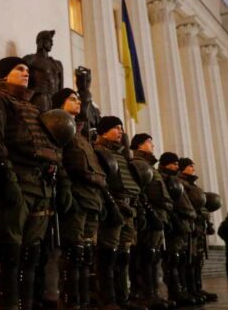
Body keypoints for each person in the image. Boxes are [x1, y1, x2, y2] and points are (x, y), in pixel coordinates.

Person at [0, 57, 68, 310]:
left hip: (40, 187)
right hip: (15, 183)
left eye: (27, 70)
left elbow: (50, 147)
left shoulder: (36, 109)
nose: (26, 73)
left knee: (31, 255)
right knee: (10, 254)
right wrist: (7, 179)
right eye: (20, 69)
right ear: (5, 76)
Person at [51, 88, 114, 309]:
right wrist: (66, 191)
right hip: (77, 198)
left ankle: (85, 301)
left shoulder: (82, 135)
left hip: (91, 199)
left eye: (78, 98)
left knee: (87, 254)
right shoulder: (58, 126)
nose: (78, 102)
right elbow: (59, 160)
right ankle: (71, 303)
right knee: (74, 253)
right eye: (72, 98)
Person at [93, 117, 145, 310]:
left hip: (129, 208)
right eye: (115, 128)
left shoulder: (122, 155)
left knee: (124, 255)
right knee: (108, 255)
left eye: (121, 128)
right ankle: (108, 300)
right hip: (113, 207)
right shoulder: (98, 151)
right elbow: (101, 182)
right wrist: (112, 205)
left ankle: (123, 298)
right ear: (103, 131)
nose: (120, 131)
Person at [129, 134, 174, 310]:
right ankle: (146, 295)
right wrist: (148, 213)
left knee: (154, 256)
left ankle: (154, 293)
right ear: (139, 146)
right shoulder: (138, 164)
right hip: (149, 217)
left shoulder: (149, 166)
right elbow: (140, 192)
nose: (153, 145)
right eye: (149, 142)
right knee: (145, 256)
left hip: (158, 215)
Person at [158, 152, 200, 307]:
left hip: (185, 221)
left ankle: (187, 289)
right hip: (175, 222)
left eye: (177, 164)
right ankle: (176, 291)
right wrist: (175, 220)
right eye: (174, 164)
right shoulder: (166, 179)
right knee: (174, 259)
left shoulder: (176, 180)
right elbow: (170, 202)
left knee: (184, 258)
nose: (176, 167)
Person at [178, 158, 218, 303]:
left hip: (199, 226)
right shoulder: (180, 183)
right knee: (188, 259)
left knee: (197, 259)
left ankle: (196, 287)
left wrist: (208, 223)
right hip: (189, 225)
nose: (193, 168)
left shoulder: (193, 185)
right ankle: (187, 289)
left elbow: (203, 206)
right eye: (189, 166)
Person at [22, 30, 65, 113]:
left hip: (54, 105)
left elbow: (61, 90)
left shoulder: (57, 64)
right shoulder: (30, 59)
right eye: (49, 41)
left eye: (52, 42)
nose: (52, 44)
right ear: (41, 40)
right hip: (37, 101)